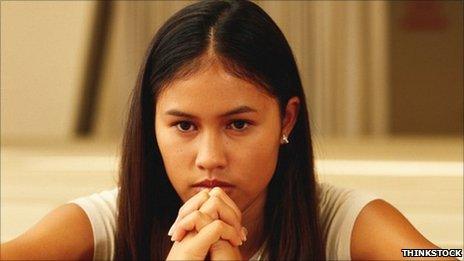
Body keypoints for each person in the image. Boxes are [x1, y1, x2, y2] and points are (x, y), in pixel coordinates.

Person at [0, 0, 450, 260]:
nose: (210, 157)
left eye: (238, 124)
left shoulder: (342, 221)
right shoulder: (103, 224)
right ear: (150, 126)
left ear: (286, 120)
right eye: (183, 126)